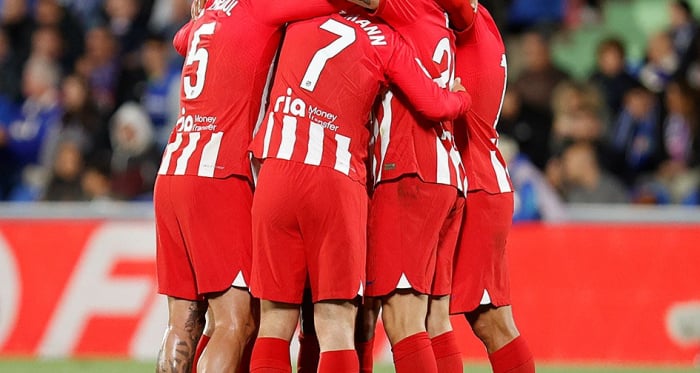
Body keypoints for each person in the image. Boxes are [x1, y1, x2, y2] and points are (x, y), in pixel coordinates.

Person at [248, 9, 471, 372]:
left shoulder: (297, 17)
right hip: (336, 180)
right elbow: (433, 104)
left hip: (276, 171)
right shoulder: (387, 40)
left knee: (274, 323)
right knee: (336, 323)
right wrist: (461, 98)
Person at [154, 0, 350, 372]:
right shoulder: (261, 7)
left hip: (174, 168)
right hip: (219, 172)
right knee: (236, 321)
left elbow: (182, 39)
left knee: (181, 321)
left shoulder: (208, 18)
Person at [342, 0, 470, 372]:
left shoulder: (409, 7)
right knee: (434, 319)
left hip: (409, 172)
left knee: (402, 319)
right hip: (444, 174)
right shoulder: (436, 18)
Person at [435, 2, 537, 372]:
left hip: (471, 181)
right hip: (477, 177)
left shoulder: (469, 19)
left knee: (452, 317)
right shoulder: (479, 26)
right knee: (484, 319)